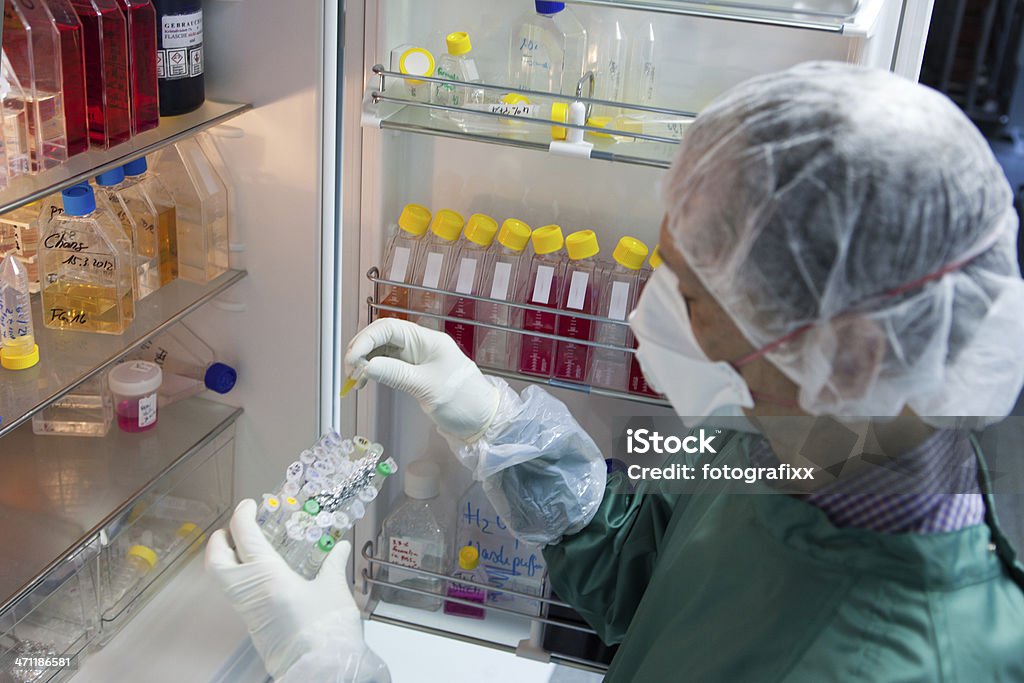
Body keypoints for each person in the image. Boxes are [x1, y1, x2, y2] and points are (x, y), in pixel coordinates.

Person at [206, 62, 1024, 682]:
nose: (649, 317)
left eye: (696, 297)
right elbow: (651, 543)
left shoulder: (876, 659)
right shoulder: (826, 438)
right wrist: (496, 422)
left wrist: (331, 665)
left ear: (839, 354)